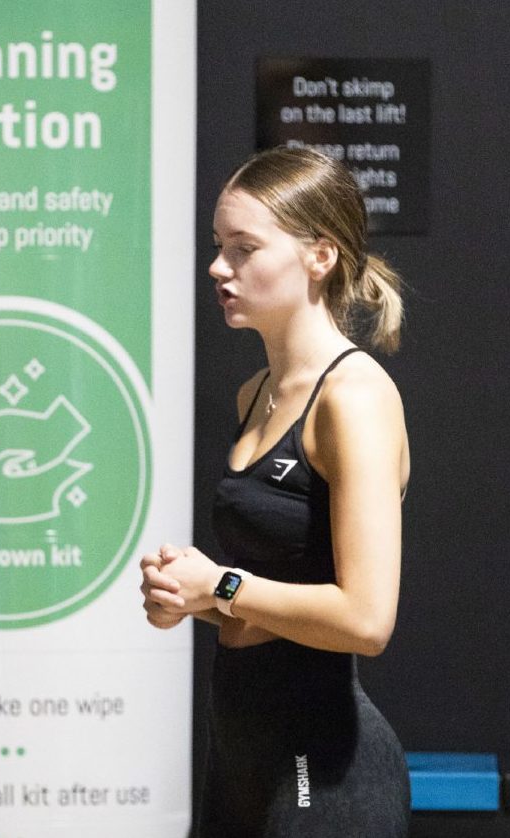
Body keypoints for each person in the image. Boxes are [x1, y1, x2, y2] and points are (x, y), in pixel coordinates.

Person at [140, 146, 410, 837]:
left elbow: (366, 620)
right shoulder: (255, 394)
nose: (217, 267)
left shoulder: (353, 399)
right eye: (216, 246)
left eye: (244, 248)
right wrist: (193, 598)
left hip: (321, 767)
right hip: (239, 750)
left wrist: (221, 586)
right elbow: (272, 595)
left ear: (319, 256)